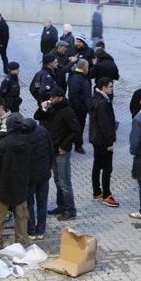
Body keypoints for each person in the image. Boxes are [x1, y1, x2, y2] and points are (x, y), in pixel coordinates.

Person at [33, 88, 81, 222]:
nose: (51, 100)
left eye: (53, 98)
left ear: (60, 97)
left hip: (61, 152)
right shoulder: (52, 108)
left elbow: (76, 131)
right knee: (57, 181)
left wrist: (64, 146)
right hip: (51, 150)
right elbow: (37, 117)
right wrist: (42, 108)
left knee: (65, 182)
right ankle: (61, 206)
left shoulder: (67, 111)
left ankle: (71, 210)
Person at [0, 117, 32, 249]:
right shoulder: (26, 143)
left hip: (3, 187)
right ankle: (21, 244)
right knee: (21, 217)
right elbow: (30, 165)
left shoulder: (3, 144)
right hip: (21, 186)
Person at [21, 117, 54, 241]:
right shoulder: (43, 130)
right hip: (44, 174)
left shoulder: (22, 137)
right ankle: (41, 230)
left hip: (30, 178)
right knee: (42, 203)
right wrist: (49, 168)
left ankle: (31, 232)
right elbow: (50, 151)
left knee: (29, 204)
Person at [89, 77, 119, 207]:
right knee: (107, 168)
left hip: (96, 139)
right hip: (102, 141)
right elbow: (104, 125)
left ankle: (97, 192)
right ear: (104, 88)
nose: (112, 89)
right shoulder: (102, 103)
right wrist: (109, 143)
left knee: (97, 165)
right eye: (110, 86)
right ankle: (106, 195)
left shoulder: (95, 99)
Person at [68, 59, 92, 154]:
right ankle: (73, 145)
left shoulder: (83, 77)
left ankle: (78, 145)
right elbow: (73, 95)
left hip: (83, 107)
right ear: (84, 68)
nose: (88, 69)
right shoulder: (76, 78)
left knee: (80, 127)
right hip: (78, 109)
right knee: (75, 128)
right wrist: (78, 107)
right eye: (88, 67)